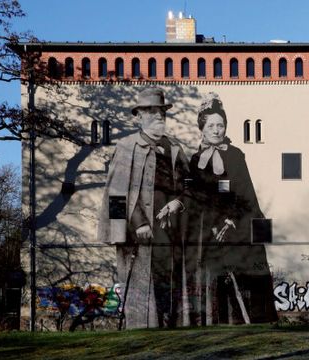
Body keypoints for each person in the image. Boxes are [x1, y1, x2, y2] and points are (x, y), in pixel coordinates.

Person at [97, 87, 189, 328]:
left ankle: (171, 331)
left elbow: (190, 185)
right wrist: (137, 223)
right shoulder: (127, 147)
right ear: (138, 117)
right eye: (151, 112)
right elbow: (116, 191)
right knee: (139, 284)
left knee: (167, 281)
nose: (158, 116)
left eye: (161, 112)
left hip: (171, 232)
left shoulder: (175, 149)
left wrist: (178, 201)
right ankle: (140, 331)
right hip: (138, 233)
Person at [187, 93, 277, 325]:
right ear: (202, 128)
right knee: (217, 278)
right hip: (211, 229)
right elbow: (195, 197)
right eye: (211, 125)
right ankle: (220, 322)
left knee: (251, 276)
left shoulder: (235, 155)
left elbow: (244, 191)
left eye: (221, 125)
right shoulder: (196, 161)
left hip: (242, 223)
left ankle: (259, 322)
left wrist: (230, 219)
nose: (217, 130)